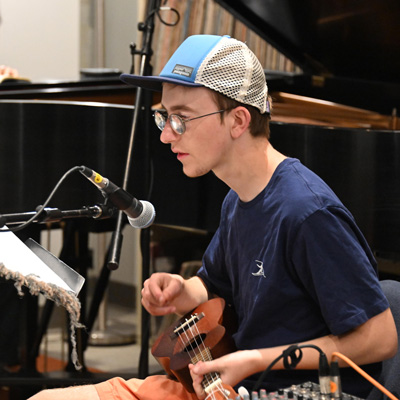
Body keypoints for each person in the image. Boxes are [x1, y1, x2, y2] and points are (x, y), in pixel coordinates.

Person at [29, 34, 397, 400]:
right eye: (164, 117)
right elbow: (214, 284)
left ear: (238, 120)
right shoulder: (238, 198)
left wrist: (253, 360)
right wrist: (180, 290)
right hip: (228, 386)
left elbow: (379, 339)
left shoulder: (308, 213)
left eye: (182, 119)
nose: (166, 136)